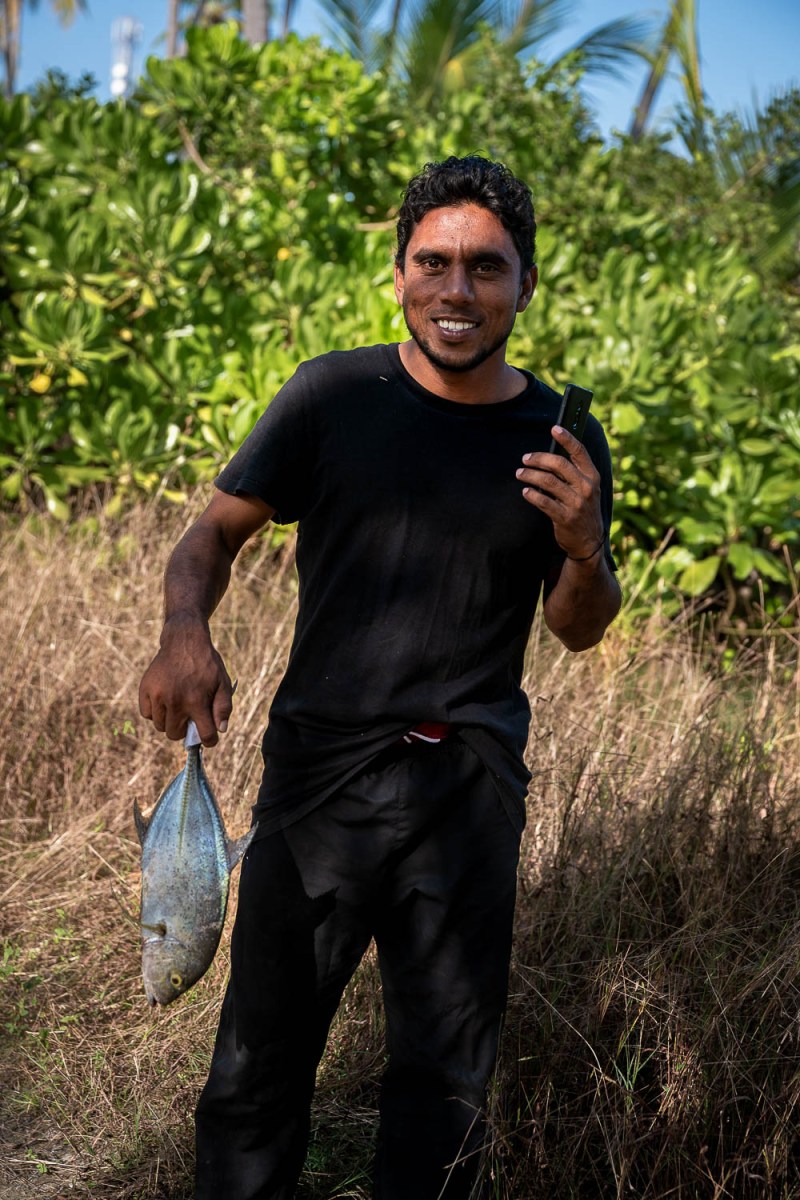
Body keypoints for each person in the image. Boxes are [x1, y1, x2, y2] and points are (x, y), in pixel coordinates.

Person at [139, 154, 622, 1200]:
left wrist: (585, 547)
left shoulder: (560, 435)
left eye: (485, 268)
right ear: (398, 274)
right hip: (319, 785)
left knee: (443, 1090)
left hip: (468, 796)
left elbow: (577, 631)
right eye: (433, 263)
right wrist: (185, 632)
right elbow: (209, 538)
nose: (458, 292)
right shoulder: (331, 396)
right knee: (254, 1072)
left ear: (524, 283)